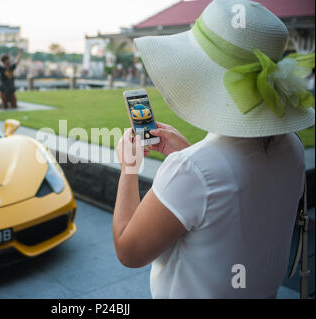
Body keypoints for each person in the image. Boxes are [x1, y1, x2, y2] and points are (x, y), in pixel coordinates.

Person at [112, 0, 315, 299]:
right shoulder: (292, 147)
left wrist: (128, 170)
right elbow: (236, 193)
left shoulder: (192, 171)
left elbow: (129, 250)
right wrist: (190, 151)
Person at [0, 44, 23, 109]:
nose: (10, 60)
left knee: (14, 107)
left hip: (11, 91)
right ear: (5, 61)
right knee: (4, 108)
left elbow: (18, 60)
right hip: (3, 91)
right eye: (8, 59)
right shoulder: (1, 69)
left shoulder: (12, 68)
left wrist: (20, 51)